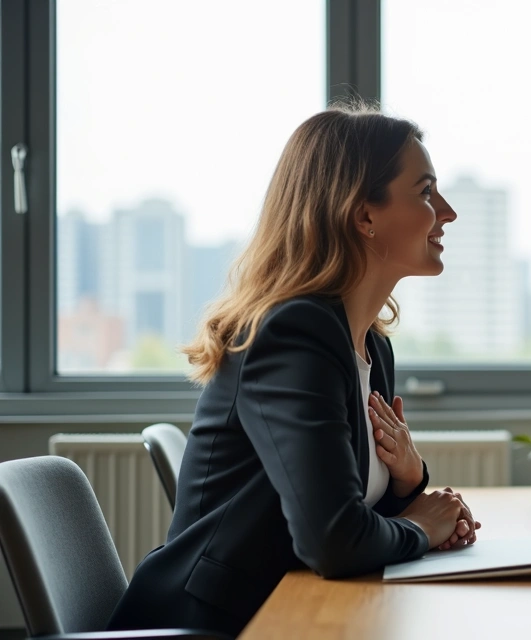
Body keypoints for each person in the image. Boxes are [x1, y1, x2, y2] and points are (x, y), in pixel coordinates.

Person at [108, 104, 474, 637]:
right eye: (425, 192)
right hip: (219, 624)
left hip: (291, 608)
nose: (447, 212)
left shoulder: (371, 344)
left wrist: (409, 480)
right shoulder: (294, 334)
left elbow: (350, 509)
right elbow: (333, 540)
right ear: (364, 216)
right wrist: (420, 526)